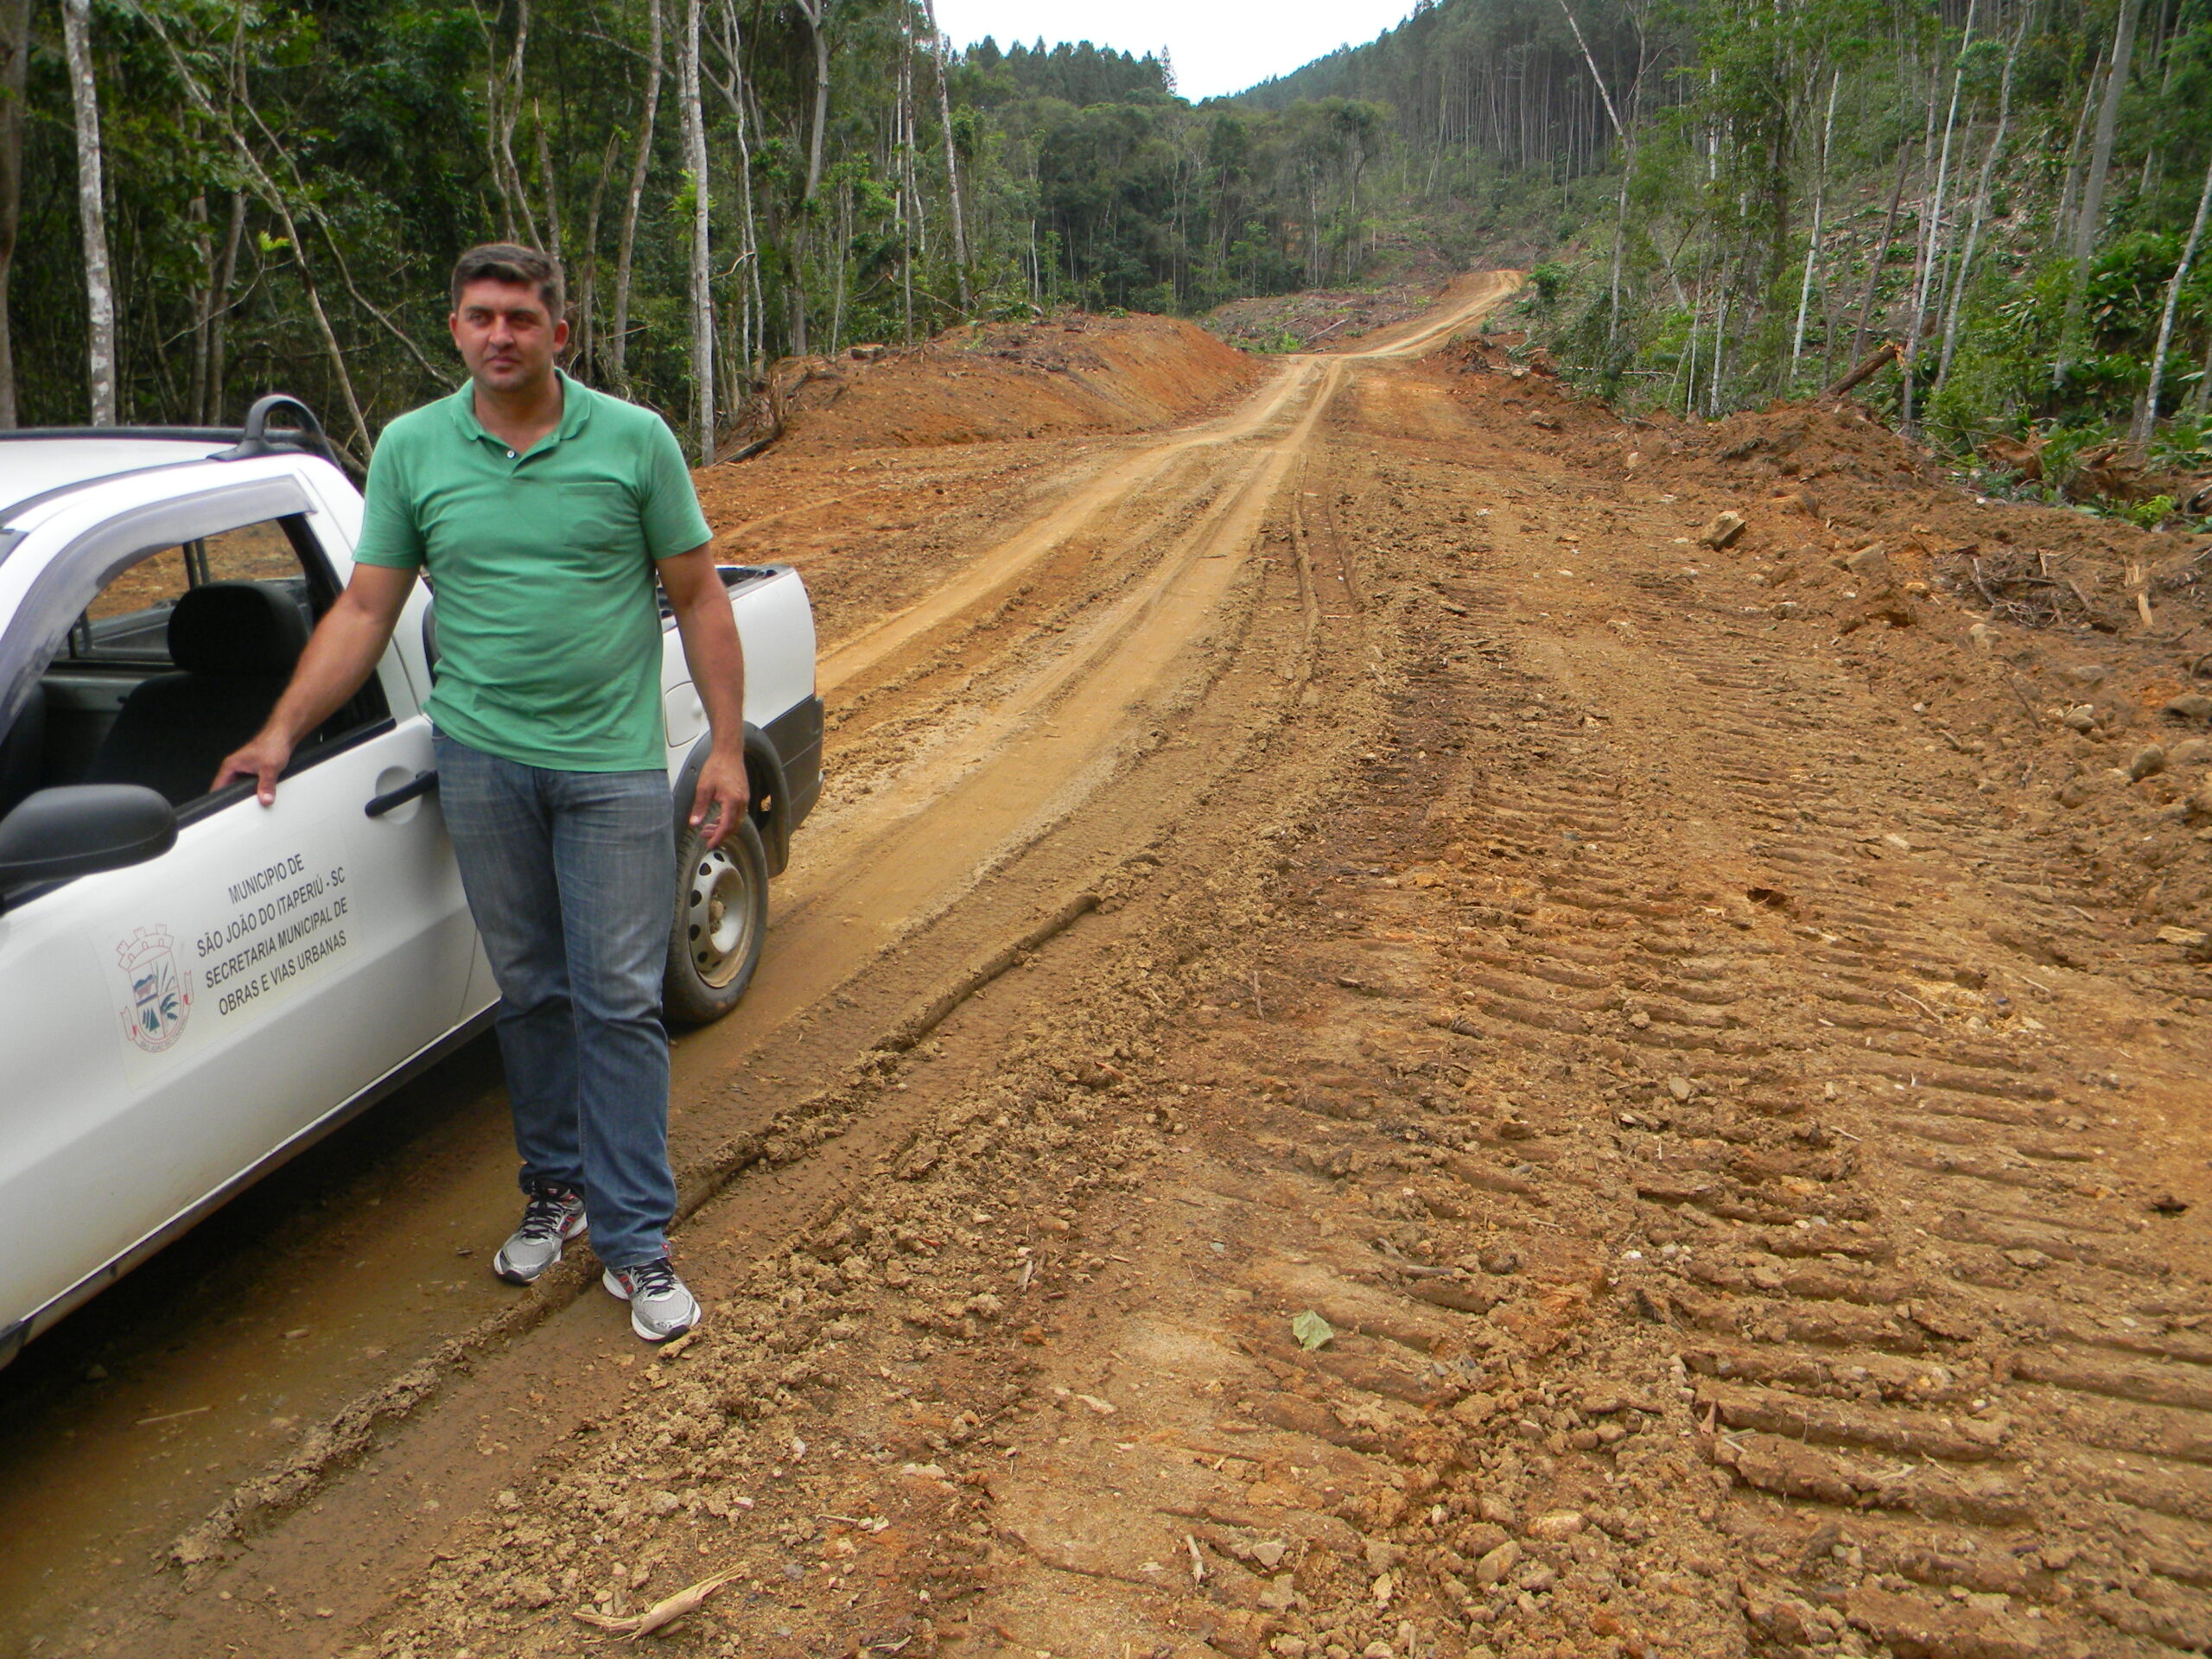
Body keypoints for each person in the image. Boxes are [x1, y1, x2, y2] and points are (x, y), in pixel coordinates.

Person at [213, 242, 749, 1343]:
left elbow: (699, 598)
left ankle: (638, 1239)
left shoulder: (633, 441)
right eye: (477, 316)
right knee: (532, 992)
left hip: (609, 765)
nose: (498, 333)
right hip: (482, 761)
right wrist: (277, 734)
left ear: (561, 331)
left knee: (618, 998)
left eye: (518, 315)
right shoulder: (414, 448)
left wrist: (729, 747)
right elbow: (365, 610)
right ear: (453, 329)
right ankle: (555, 1190)